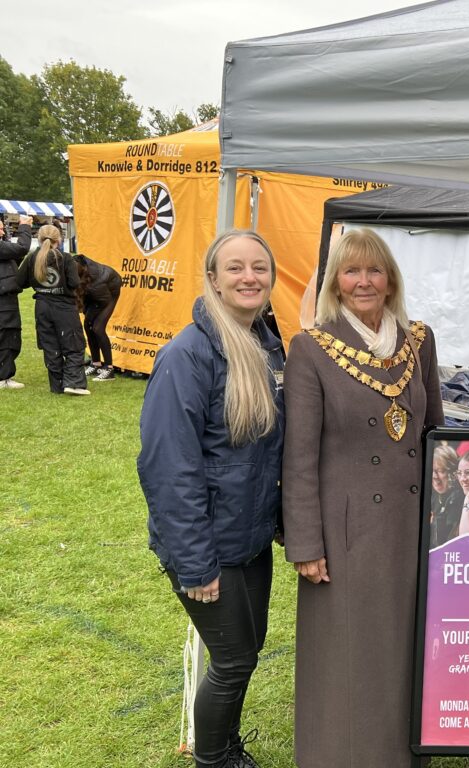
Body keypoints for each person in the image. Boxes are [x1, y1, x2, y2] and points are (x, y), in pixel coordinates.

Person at [282, 227, 443, 768]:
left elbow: (435, 434)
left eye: (375, 270)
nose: (364, 281)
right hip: (345, 533)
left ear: (391, 280)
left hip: (411, 524)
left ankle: (403, 754)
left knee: (405, 645)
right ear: (336, 282)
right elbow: (299, 456)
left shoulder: (419, 340)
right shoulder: (311, 347)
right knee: (350, 653)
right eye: (352, 271)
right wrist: (306, 543)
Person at [137, 230, 285, 768]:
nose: (249, 277)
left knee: (247, 651)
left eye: (259, 268)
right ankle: (214, 760)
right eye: (235, 268)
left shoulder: (267, 344)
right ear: (214, 280)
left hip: (249, 538)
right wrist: (195, 564)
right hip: (208, 546)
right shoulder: (187, 356)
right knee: (233, 659)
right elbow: (168, 469)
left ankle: (226, 747)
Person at [16, 223, 89, 395]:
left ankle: (57, 385)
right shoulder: (65, 258)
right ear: (59, 239)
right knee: (74, 344)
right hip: (64, 307)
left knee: (50, 345)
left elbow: (20, 282)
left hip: (42, 307)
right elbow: (74, 283)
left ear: (39, 239)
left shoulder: (32, 258)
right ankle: (73, 383)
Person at [75, 253, 122, 381]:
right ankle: (96, 363)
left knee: (98, 328)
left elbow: (103, 301)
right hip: (96, 296)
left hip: (108, 295)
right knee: (88, 325)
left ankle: (109, 369)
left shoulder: (97, 283)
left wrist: (88, 313)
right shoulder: (79, 269)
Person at [0, 214, 32, 389]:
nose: (2, 231)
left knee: (9, 337)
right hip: (4, 301)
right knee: (7, 337)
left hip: (7, 298)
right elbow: (22, 248)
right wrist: (25, 227)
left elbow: (16, 257)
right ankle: (3, 378)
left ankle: (5, 376)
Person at [430, 444, 464, 546]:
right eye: (431, 470)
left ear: (454, 472)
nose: (434, 476)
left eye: (441, 471)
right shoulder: (433, 496)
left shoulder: (458, 498)